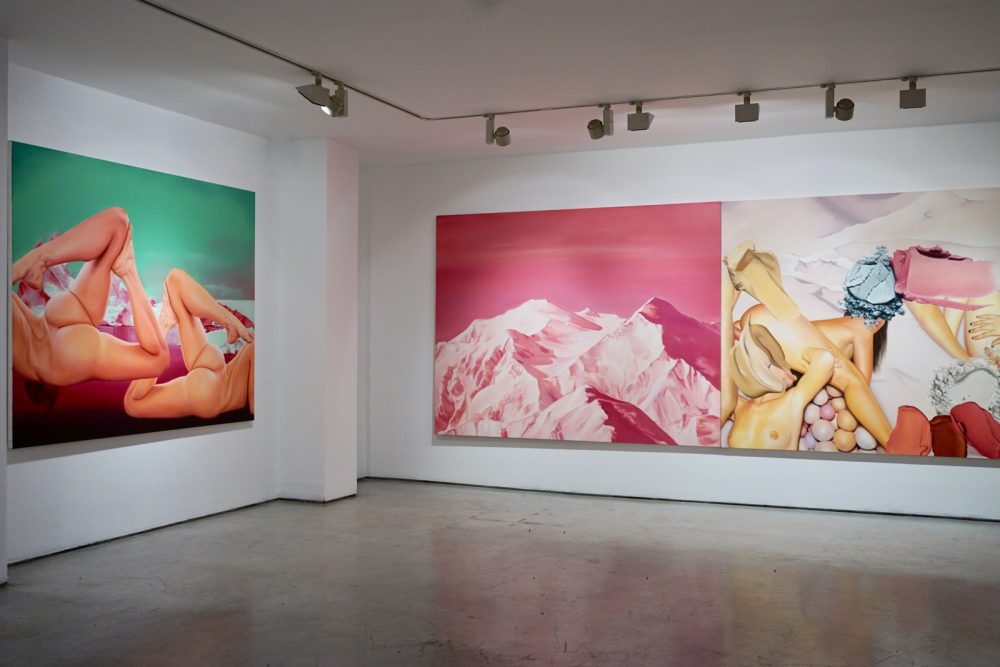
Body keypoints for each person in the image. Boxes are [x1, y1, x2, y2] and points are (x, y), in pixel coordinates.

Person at [722, 242, 894, 446]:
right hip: (768, 328)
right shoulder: (862, 327)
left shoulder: (839, 328)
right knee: (852, 380)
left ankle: (747, 271)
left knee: (788, 316)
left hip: (763, 324)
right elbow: (861, 384)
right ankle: (893, 443)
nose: (877, 321)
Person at [10, 207, 170, 387]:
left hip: (54, 355)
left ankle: (40, 259)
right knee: (117, 223)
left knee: (158, 361)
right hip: (53, 328)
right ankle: (127, 271)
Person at [124, 268, 254, 419]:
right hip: (216, 382)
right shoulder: (260, 351)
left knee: (175, 280)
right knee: (174, 280)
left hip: (213, 377)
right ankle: (229, 322)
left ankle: (166, 323)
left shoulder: (254, 346)